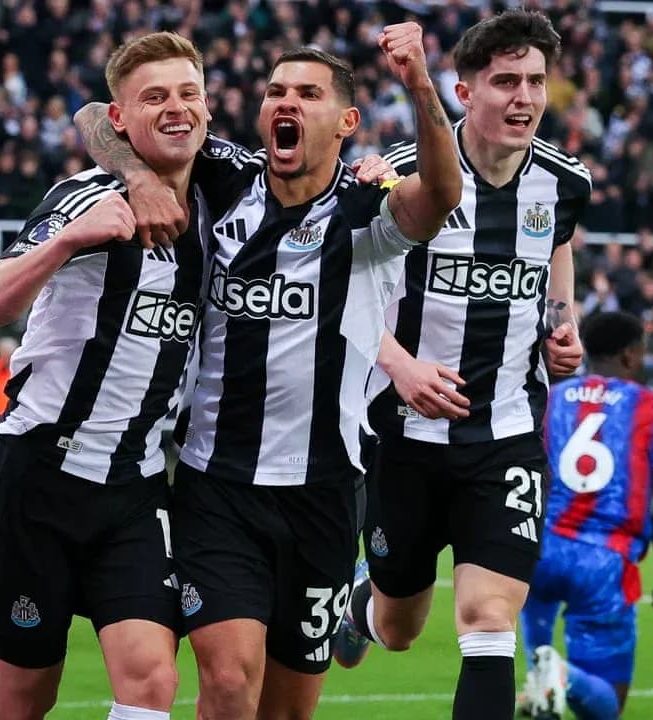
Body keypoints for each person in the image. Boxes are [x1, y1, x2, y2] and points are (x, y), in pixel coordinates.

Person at [77, 22, 461, 720]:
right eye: (276, 91)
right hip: (215, 486)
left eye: (308, 94)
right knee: (227, 684)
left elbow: (440, 194)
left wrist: (418, 83)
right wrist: (137, 175)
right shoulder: (224, 177)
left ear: (345, 122)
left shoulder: (367, 212)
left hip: (324, 493)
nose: (287, 102)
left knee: (285, 711)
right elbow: (94, 121)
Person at [0, 32, 213, 720]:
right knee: (22, 701)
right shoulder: (82, 197)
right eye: (155, 97)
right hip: (36, 478)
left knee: (152, 682)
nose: (177, 109)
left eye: (189, 93)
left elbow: (92, 114)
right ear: (123, 119)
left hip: (135, 484)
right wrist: (70, 238)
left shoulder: (230, 190)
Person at [333, 11, 589, 720]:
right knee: (399, 629)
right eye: (505, 81)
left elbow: (559, 243)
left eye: (536, 81)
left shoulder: (564, 182)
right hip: (402, 439)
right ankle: (364, 599)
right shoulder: (403, 177)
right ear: (464, 90)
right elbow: (340, 295)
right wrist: (401, 367)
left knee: (486, 619)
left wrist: (562, 324)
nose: (524, 97)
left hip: (504, 435)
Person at [518, 311, 653, 720]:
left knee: (538, 666)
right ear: (631, 356)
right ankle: (560, 675)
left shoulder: (551, 398)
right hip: (604, 562)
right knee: (606, 703)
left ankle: (544, 673)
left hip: (539, 548)